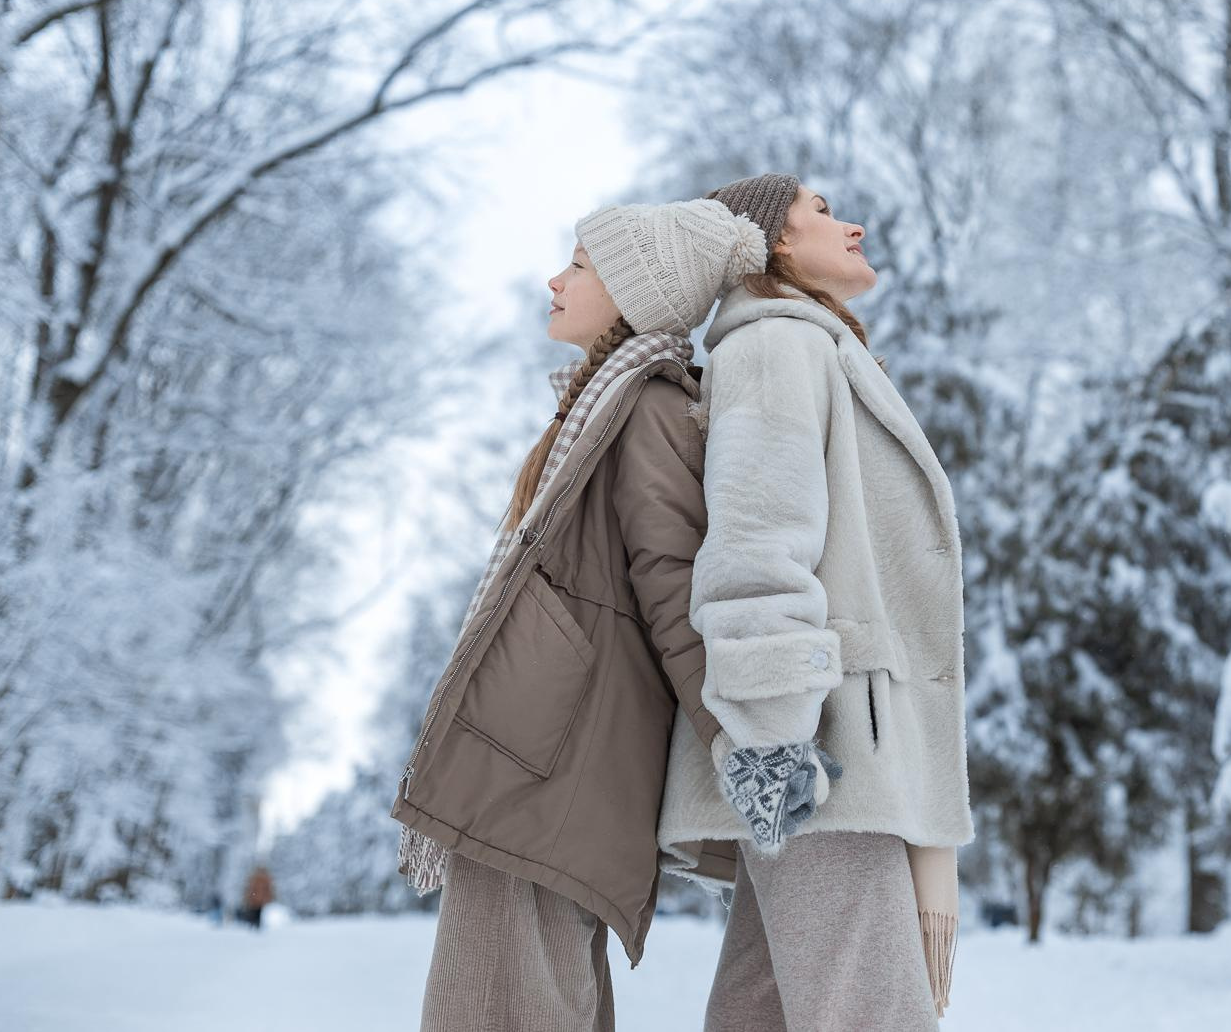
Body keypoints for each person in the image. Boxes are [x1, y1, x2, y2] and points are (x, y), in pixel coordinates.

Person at [390, 197, 769, 1032]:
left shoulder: (648, 408)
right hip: (536, 761)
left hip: (551, 767)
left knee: (500, 1008)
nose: (556, 280)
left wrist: (748, 746)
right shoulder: (602, 405)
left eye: (583, 265)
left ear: (638, 294)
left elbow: (679, 592)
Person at [658, 173, 973, 1030]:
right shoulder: (774, 347)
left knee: (759, 1012)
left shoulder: (813, 347)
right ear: (776, 243)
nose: (856, 224)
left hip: (825, 744)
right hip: (814, 751)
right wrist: (772, 742)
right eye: (824, 210)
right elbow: (757, 546)